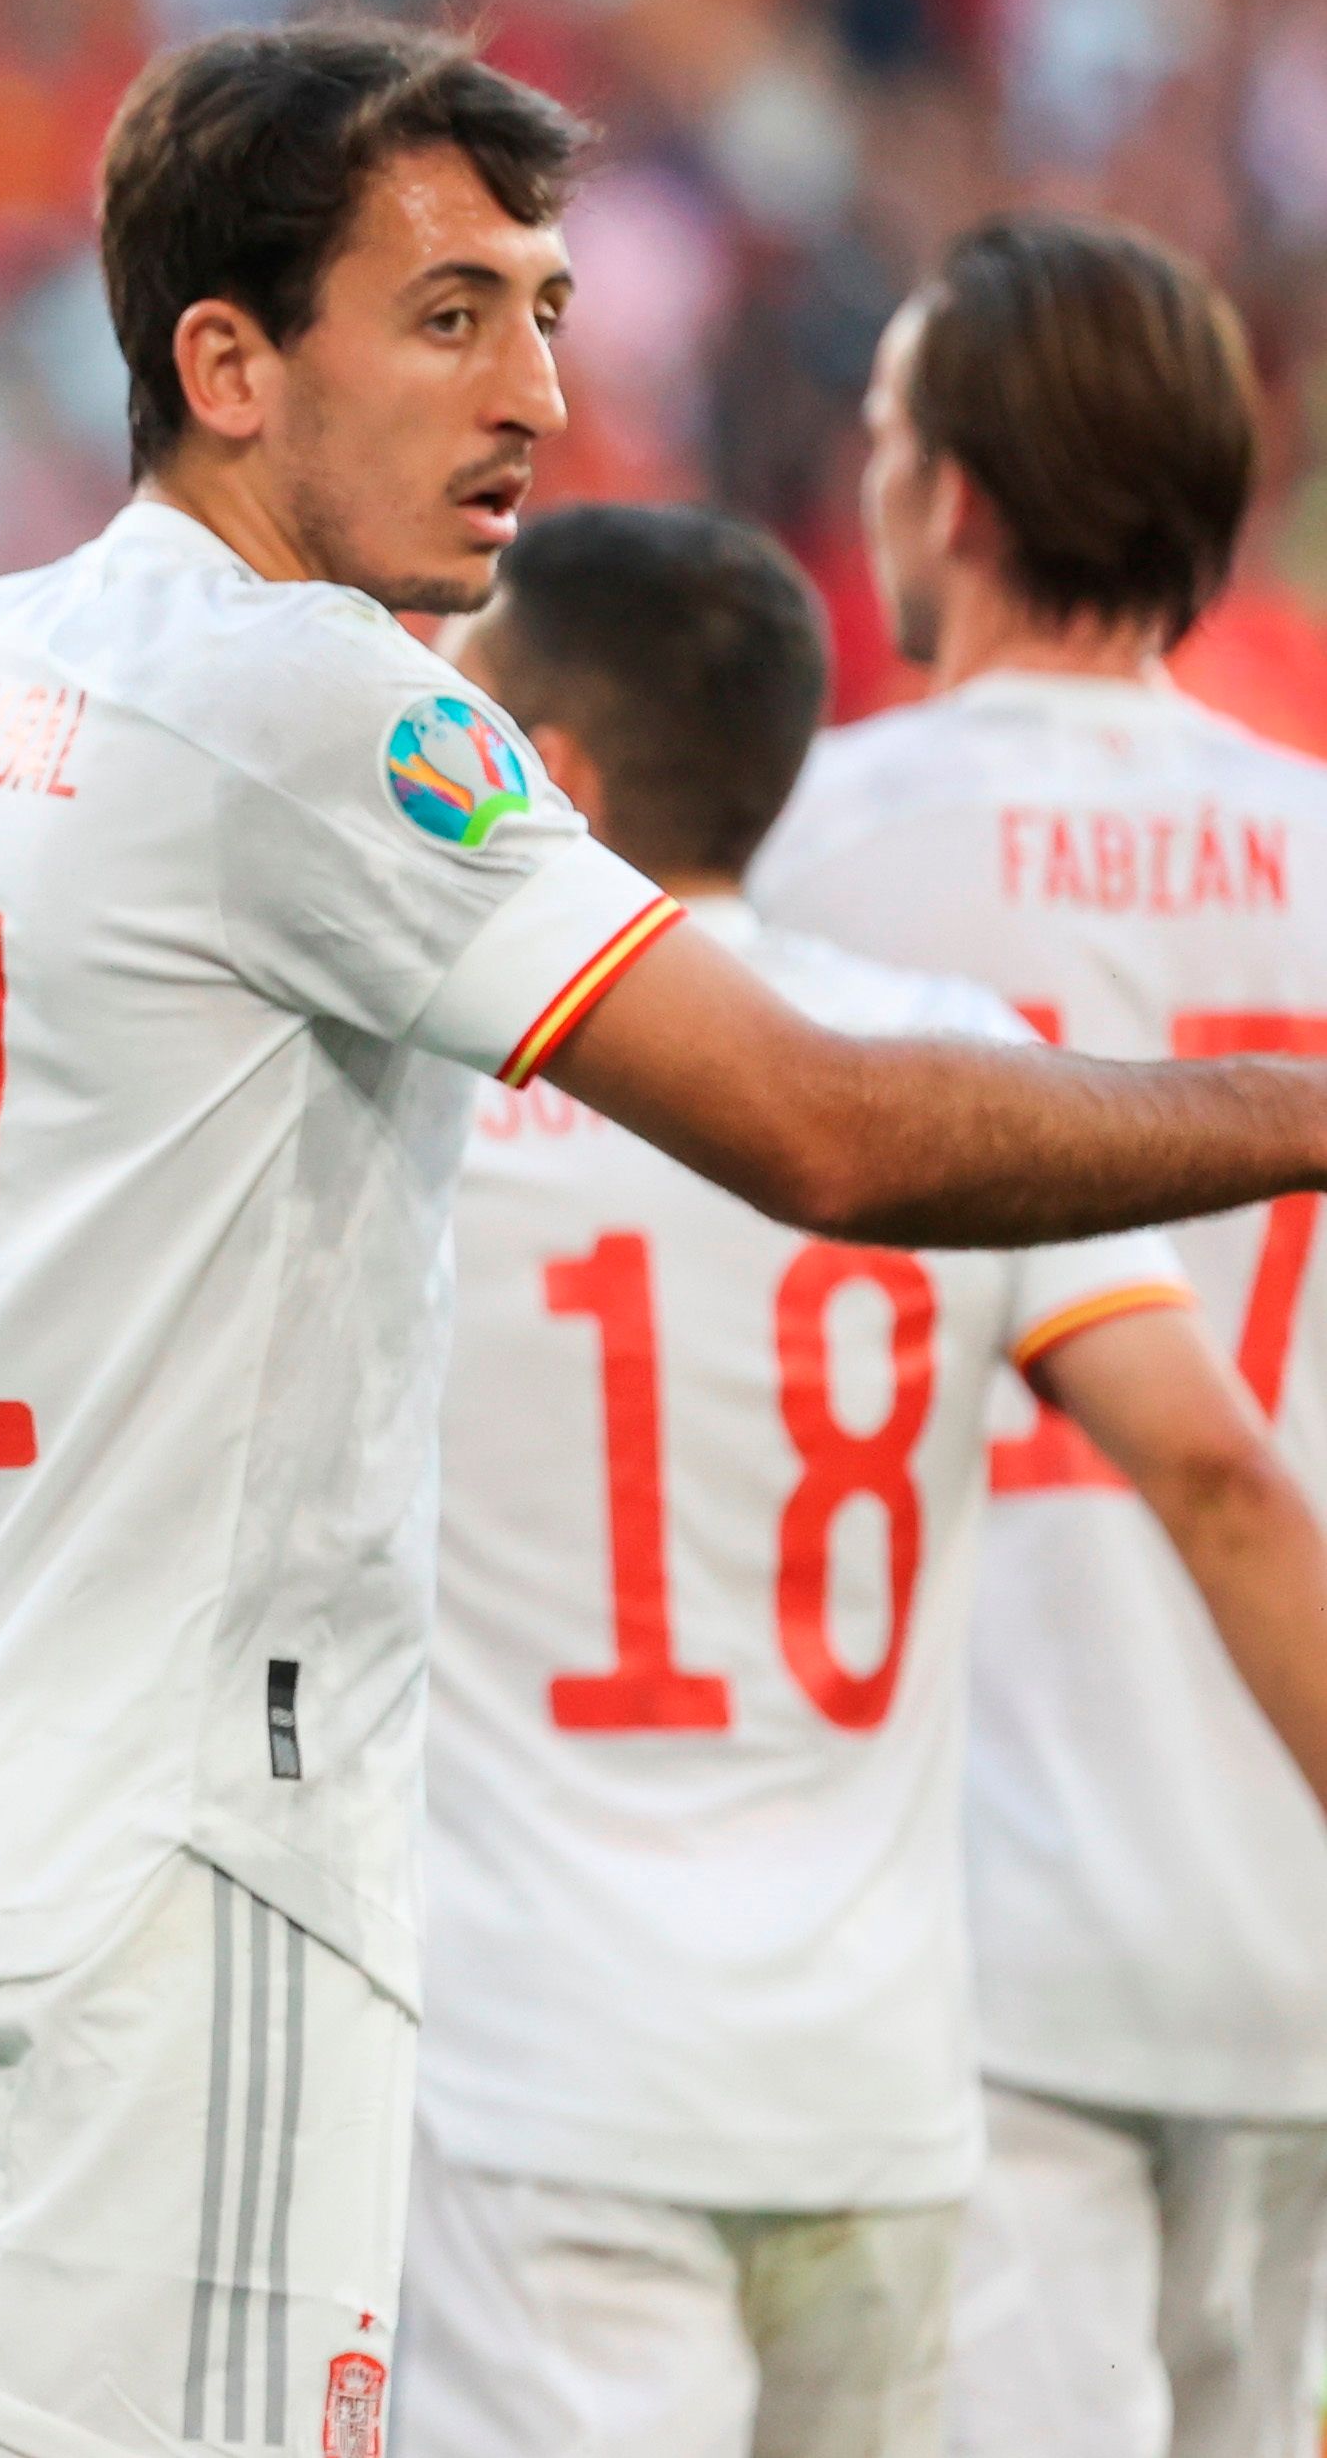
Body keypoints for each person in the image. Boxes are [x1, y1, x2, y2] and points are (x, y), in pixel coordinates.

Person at [0, 21, 1327, 2458]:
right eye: (449, 316)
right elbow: (828, 1136)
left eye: (545, 309)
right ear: (223, 365)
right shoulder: (327, 704)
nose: (537, 389)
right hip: (183, 1883)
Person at [398, 503, 1327, 2458]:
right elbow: (1220, 1472)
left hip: (539, 2085)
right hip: (882, 2093)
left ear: (549, 777)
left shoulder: (418, 1104)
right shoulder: (956, 1064)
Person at [748, 217, 1327, 2458]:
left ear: (955, 496)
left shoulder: (813, 859)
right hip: (1289, 1861)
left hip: (968, 1893)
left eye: (890, 440)